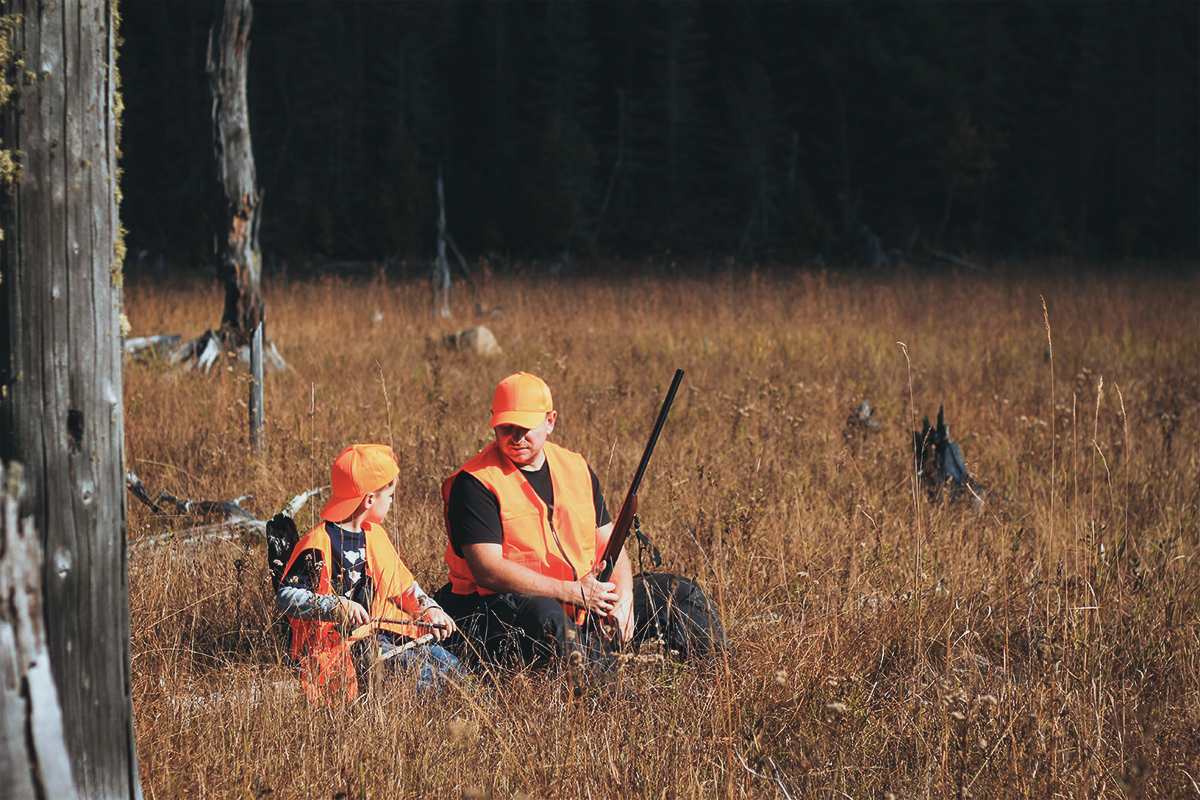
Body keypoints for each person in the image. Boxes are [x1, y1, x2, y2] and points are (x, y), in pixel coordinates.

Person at [435, 372, 726, 669]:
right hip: (504, 612)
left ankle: (721, 678)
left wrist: (622, 597)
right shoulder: (474, 483)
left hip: (582, 601)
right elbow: (489, 571)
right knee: (548, 615)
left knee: (679, 592)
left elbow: (610, 544)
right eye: (506, 426)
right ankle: (617, 707)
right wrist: (572, 593)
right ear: (493, 420)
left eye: (526, 426)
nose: (516, 436)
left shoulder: (575, 468)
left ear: (550, 421)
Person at [277, 444, 464, 700]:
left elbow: (405, 587)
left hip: (385, 635)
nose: (391, 503)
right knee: (425, 678)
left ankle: (482, 711)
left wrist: (429, 609)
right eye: (390, 496)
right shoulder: (318, 543)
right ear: (369, 500)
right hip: (344, 647)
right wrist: (335, 606)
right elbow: (286, 597)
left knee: (452, 667)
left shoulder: (374, 534)